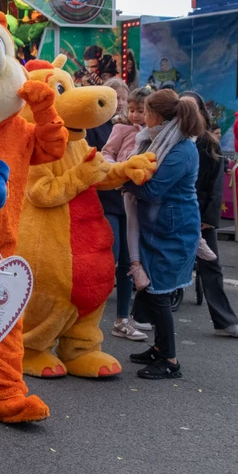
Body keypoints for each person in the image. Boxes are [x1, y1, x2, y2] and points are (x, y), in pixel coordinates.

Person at [123, 89, 203, 380]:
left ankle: (169, 360)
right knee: (153, 289)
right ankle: (159, 348)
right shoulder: (163, 141)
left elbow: (154, 189)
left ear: (157, 115)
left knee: (158, 293)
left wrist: (123, 180)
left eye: (145, 111)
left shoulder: (181, 149)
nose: (142, 117)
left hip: (172, 229)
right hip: (161, 225)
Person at [180, 92, 238, 339]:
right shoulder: (166, 140)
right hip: (172, 210)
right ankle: (141, 317)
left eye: (192, 107)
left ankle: (225, 321)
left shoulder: (208, 143)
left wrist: (209, 219)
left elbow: (216, 187)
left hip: (200, 213)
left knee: (211, 266)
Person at [100, 85, 149, 341]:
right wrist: (117, 169)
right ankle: (93, 313)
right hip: (111, 200)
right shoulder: (120, 128)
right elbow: (106, 153)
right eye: (131, 109)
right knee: (112, 256)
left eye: (140, 110)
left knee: (131, 260)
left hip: (136, 202)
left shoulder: (153, 133)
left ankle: (123, 318)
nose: (134, 114)